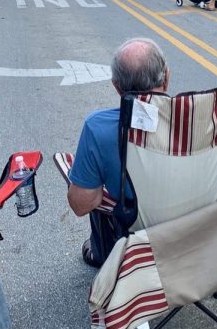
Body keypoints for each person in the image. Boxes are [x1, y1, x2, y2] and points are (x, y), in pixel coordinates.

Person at [66, 38, 170, 267]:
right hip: (199, 239)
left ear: (116, 86)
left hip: (138, 244)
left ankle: (102, 252)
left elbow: (81, 205)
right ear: (167, 77)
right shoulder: (201, 123)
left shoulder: (99, 128)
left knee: (93, 182)